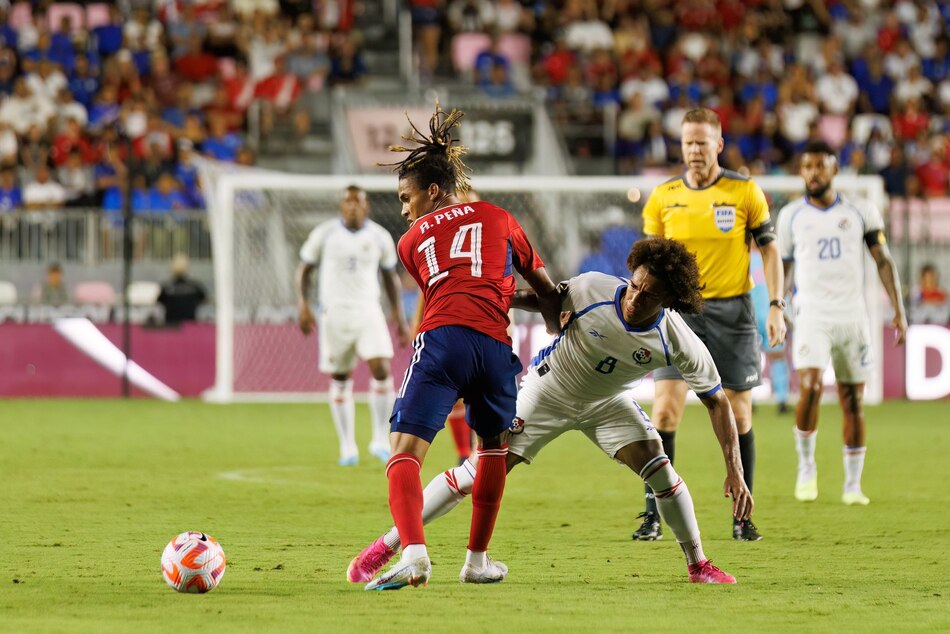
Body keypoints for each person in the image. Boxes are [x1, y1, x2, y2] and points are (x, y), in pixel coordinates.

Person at [348, 238, 753, 585]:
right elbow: (542, 299)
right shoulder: (593, 288)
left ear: (669, 301)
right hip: (548, 391)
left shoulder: (677, 339)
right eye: (634, 285)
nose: (634, 297)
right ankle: (387, 545)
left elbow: (717, 401)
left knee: (661, 472)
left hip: (606, 403)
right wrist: (497, 295)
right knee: (476, 474)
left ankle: (698, 564)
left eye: (648, 295)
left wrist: (734, 469)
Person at [363, 104, 561, 591]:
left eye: (406, 197)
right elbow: (545, 287)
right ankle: (477, 562)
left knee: (403, 453)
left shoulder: (409, 241)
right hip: (495, 346)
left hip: (444, 338)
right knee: (492, 449)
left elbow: (445, 292)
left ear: (433, 191)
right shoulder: (500, 216)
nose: (404, 209)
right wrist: (554, 321)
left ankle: (414, 554)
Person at [636, 108, 786, 542]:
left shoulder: (744, 191)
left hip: (732, 314)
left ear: (718, 144)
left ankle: (742, 517)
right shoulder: (663, 196)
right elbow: (649, 261)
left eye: (702, 142)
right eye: (688, 143)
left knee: (739, 413)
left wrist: (776, 305)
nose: (694, 150)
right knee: (665, 411)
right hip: (677, 315)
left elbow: (770, 250)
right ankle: (653, 514)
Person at [777, 141, 907, 505]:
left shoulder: (861, 210)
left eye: (820, 166)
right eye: (807, 166)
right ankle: (806, 467)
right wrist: (777, 304)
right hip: (812, 314)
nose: (813, 173)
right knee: (811, 386)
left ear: (835, 169)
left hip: (853, 316)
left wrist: (898, 309)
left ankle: (852, 486)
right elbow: (784, 266)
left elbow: (883, 260)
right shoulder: (790, 216)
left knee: (853, 400)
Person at [296, 185, 410, 467]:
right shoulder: (324, 234)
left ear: (366, 206)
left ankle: (379, 440)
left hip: (368, 310)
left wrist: (399, 315)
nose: (353, 206)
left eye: (358, 202)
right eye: (348, 202)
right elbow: (304, 270)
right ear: (341, 206)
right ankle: (348, 447)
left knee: (381, 369)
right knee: (340, 377)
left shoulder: (379, 237)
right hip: (334, 312)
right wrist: (303, 305)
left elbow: (390, 277)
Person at [750, 246, 790, 413]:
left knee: (777, 355)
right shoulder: (744, 256)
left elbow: (782, 285)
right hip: (750, 315)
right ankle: (749, 399)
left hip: (770, 315)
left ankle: (782, 399)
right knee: (749, 358)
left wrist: (784, 311)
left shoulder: (772, 255)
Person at [157, 253, 207, 325]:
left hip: (171, 325)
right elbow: (203, 299)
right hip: (190, 325)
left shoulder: (166, 287)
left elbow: (159, 301)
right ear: (187, 267)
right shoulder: (195, 286)